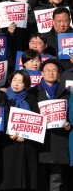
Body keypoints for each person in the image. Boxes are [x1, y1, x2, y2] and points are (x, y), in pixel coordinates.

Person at [30, 59, 71, 191]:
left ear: (59, 74)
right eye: (48, 70)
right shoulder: (33, 93)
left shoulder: (66, 93)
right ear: (41, 73)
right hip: (40, 143)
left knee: (56, 180)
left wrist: (68, 124)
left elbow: (70, 115)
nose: (51, 73)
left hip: (59, 140)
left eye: (54, 70)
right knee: (39, 179)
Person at [0, 70, 39, 191]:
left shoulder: (32, 98)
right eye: (14, 80)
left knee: (27, 179)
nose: (16, 83)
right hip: (8, 144)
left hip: (28, 145)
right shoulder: (2, 97)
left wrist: (26, 135)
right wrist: (8, 133)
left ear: (26, 85)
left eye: (21, 81)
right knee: (8, 179)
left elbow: (37, 121)